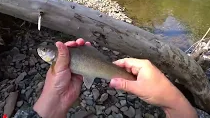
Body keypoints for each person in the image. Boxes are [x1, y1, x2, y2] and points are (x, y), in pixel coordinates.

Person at [16, 38, 198, 118]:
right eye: (45, 51)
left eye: (45, 51)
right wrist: (175, 103)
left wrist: (54, 103)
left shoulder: (57, 63)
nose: (42, 52)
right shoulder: (58, 64)